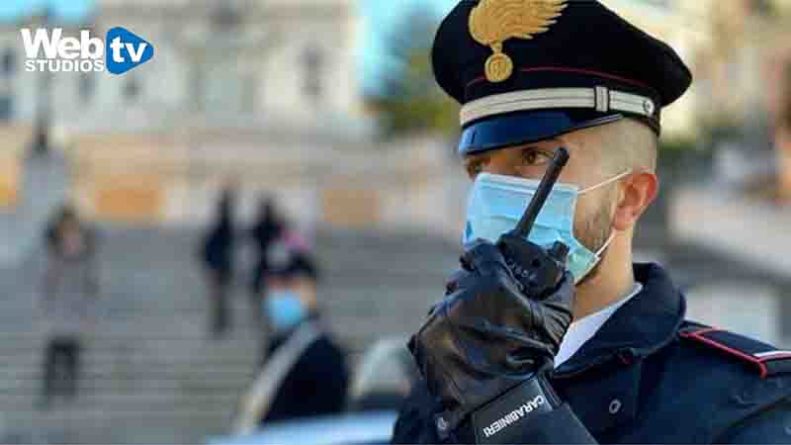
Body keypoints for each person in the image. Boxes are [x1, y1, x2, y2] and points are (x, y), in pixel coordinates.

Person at [392, 1, 791, 443]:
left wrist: (510, 407)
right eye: (479, 165)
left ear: (630, 197)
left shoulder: (745, 401)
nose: (490, 190)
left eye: (532, 156)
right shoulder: (440, 389)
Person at [233, 252, 348, 433]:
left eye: (287, 285)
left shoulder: (324, 353)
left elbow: (324, 422)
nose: (277, 295)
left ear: (310, 290)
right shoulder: (279, 346)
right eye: (272, 286)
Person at [39, 204, 98, 407]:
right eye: (65, 226)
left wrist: (87, 311)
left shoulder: (84, 254)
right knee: (54, 350)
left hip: (74, 306)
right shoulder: (53, 253)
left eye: (72, 227)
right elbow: (47, 282)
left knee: (71, 350)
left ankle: (69, 389)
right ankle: (49, 390)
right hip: (58, 307)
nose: (70, 233)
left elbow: (90, 285)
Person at [199, 186, 236, 338]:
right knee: (219, 297)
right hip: (220, 266)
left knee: (220, 297)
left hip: (221, 265)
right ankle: (220, 322)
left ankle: (221, 322)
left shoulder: (223, 227)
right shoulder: (221, 228)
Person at [249, 197, 284, 324]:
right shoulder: (264, 226)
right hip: (265, 262)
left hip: (269, 262)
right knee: (260, 289)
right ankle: (264, 313)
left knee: (267, 290)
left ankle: (268, 313)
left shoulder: (269, 226)